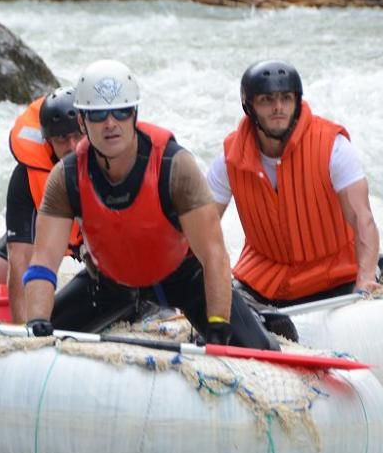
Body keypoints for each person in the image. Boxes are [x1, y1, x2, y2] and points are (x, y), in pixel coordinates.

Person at [21, 59, 278, 351]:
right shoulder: (66, 177)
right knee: (42, 337)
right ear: (82, 122)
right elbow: (43, 260)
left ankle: (260, 317)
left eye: (121, 112)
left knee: (260, 350)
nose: (110, 124)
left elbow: (214, 255)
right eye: (98, 115)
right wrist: (38, 322)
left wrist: (218, 326)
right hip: (109, 283)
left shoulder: (175, 166)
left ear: (135, 114)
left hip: (183, 278)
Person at [206, 59, 382, 339]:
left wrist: (365, 281)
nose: (278, 108)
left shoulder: (333, 147)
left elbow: (363, 219)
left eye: (286, 98)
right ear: (249, 107)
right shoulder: (228, 159)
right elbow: (201, 227)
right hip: (264, 281)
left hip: (336, 275)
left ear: (297, 102)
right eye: (267, 100)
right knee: (228, 306)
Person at [0, 87, 85, 322]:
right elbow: (21, 259)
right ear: (48, 141)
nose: (73, 147)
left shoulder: (110, 162)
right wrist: (23, 333)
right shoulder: (26, 177)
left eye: (78, 136)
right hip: (45, 233)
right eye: (62, 139)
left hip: (91, 241)